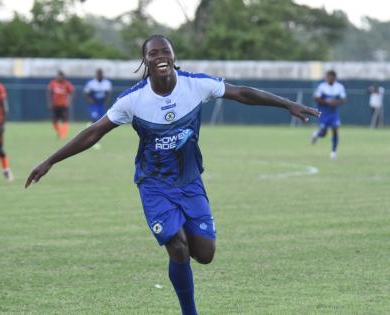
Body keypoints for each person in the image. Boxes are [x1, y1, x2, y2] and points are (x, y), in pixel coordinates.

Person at [26, 35, 319, 315]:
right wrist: (50, 160)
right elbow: (93, 133)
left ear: (174, 56)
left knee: (204, 254)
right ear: (145, 61)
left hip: (190, 181)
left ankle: (181, 245)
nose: (160, 56)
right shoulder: (132, 100)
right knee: (177, 247)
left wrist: (286, 104)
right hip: (154, 184)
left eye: (165, 51)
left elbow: (242, 93)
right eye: (153, 53)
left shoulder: (195, 85)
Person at [311, 70, 346, 160]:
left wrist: (336, 102)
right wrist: (326, 102)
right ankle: (316, 134)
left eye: (330, 77)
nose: (328, 78)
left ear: (334, 78)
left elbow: (343, 99)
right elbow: (315, 97)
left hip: (333, 113)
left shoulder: (339, 87)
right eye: (327, 77)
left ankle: (333, 152)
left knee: (335, 129)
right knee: (324, 133)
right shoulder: (322, 86)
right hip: (323, 112)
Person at [83, 69, 113, 149]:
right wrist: (90, 100)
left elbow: (108, 93)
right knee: (95, 119)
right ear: (96, 75)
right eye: (98, 74)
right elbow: (86, 93)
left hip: (101, 104)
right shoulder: (91, 83)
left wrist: (106, 101)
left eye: (101, 74)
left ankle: (90, 129)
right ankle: (93, 138)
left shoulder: (107, 83)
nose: (100, 75)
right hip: (94, 105)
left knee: (101, 121)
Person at [47, 70, 75, 139]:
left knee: (65, 120)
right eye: (57, 76)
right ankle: (60, 132)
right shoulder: (52, 83)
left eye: (60, 76)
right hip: (55, 105)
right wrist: (50, 103)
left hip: (64, 105)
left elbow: (72, 92)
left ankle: (63, 135)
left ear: (63, 77)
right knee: (54, 121)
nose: (58, 77)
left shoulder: (67, 84)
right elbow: (49, 93)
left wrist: (69, 101)